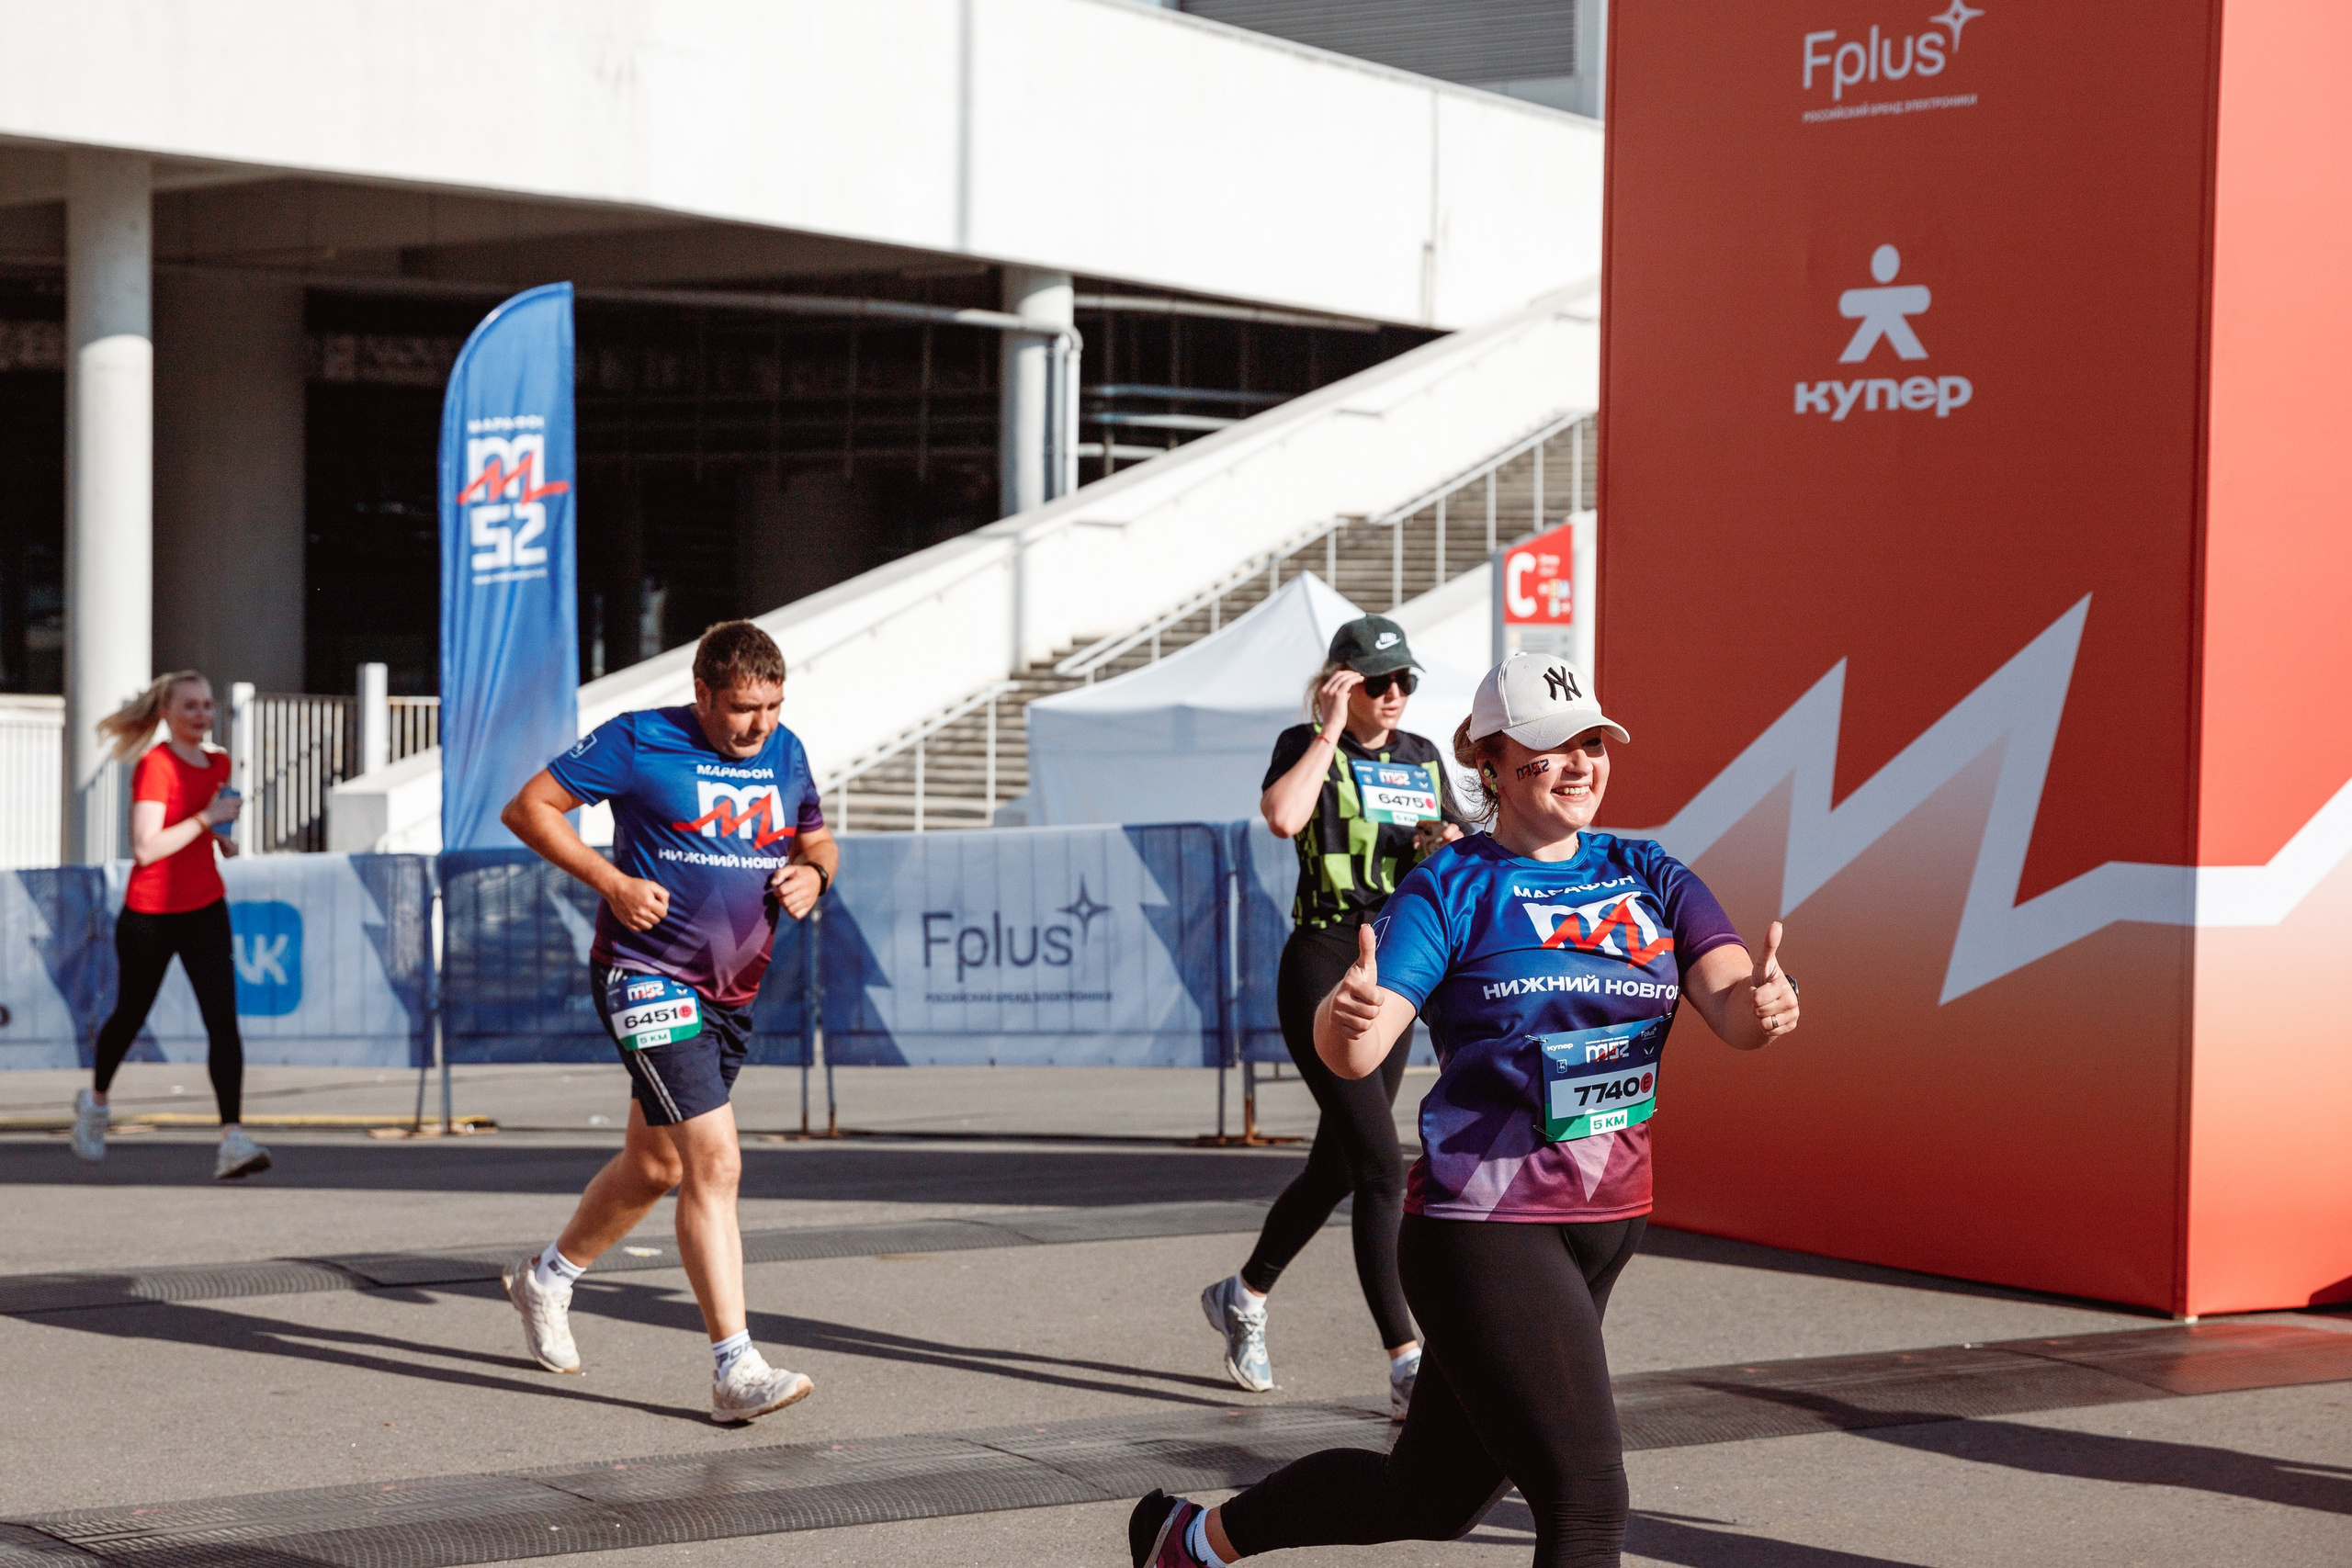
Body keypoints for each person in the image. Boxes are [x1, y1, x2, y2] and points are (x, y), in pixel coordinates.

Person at [1135, 651, 1801, 1568]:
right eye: (1551, 747)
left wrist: (1765, 1005)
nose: (1581, 764)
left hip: (1606, 1219)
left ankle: (1189, 1542)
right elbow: (1358, 1047)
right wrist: (1343, 1017)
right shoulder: (1449, 886)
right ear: (1489, 762)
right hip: (1485, 1229)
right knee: (1586, 1499)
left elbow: (1730, 1007)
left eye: (1594, 743)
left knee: (1430, 1493)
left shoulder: (1648, 871)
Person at [496, 620, 838, 1425]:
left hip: (731, 993)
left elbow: (818, 840)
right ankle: (734, 1368)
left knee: (655, 1166)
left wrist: (815, 876)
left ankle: (546, 1279)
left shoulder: (787, 751)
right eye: (744, 708)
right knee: (715, 1160)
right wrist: (611, 881)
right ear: (703, 693)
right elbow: (529, 807)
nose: (760, 725)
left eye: (773, 706)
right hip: (645, 976)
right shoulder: (640, 740)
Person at [1201, 615, 1466, 1417]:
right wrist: (1327, 728)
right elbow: (1284, 817)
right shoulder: (1307, 743)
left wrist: (1448, 837)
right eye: (1376, 682)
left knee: (1339, 1166)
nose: (1394, 695)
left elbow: (1457, 846)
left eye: (1404, 681)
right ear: (1340, 682)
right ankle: (1406, 1359)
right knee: (1383, 1166)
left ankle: (1244, 1292)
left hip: (1396, 968)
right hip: (1323, 960)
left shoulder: (1421, 755)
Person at [71, 672, 267, 1180]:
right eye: (190, 707)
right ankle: (95, 1102)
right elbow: (146, 847)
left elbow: (210, 829)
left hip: (205, 907)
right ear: (166, 714)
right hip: (151, 913)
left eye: (207, 705)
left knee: (222, 1019)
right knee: (130, 1015)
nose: (202, 715)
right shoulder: (156, 765)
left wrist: (223, 838)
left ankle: (232, 1138)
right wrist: (206, 819)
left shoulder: (219, 762)